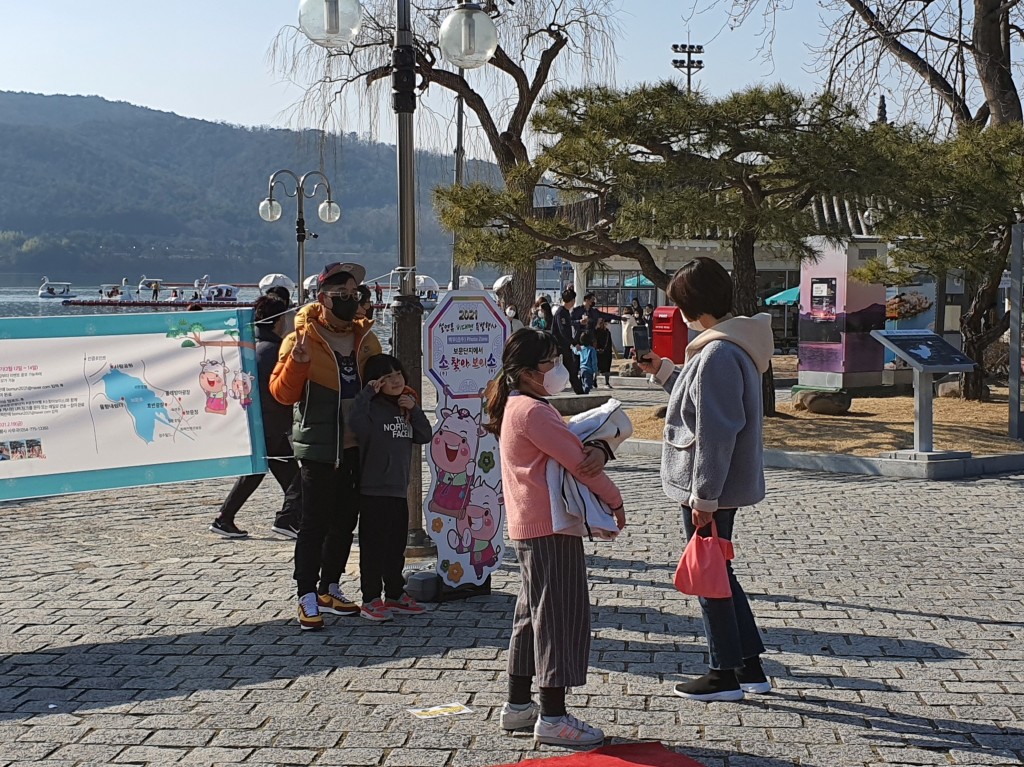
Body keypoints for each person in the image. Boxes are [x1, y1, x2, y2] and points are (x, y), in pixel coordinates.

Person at [636, 257, 774, 703]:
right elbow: (695, 401)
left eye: (679, 305)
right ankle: (748, 665)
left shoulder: (717, 352)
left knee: (709, 575)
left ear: (694, 306)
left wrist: (704, 496)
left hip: (710, 488)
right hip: (719, 486)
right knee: (720, 571)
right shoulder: (734, 344)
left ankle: (723, 674)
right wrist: (660, 371)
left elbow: (715, 431)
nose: (677, 314)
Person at [485, 329, 625, 746]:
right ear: (528, 373)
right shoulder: (534, 412)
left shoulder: (515, 405)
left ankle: (518, 705)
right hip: (550, 524)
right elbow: (581, 463)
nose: (558, 368)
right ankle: (553, 714)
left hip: (530, 524)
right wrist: (615, 501)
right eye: (551, 362)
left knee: (532, 615)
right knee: (558, 617)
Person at [270, 262, 383, 631]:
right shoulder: (301, 338)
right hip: (320, 448)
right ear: (323, 298)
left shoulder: (364, 337)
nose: (352, 300)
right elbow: (283, 395)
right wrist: (298, 365)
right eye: (343, 295)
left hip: (357, 446)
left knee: (345, 522)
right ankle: (305, 593)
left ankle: (329, 586)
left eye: (356, 294)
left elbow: (385, 377)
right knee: (314, 523)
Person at [209, 295, 302, 539]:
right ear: (279, 320)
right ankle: (287, 519)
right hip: (272, 423)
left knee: (278, 473)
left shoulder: (253, 348)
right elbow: (283, 387)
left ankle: (227, 518)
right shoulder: (274, 350)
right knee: (292, 476)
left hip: (263, 422)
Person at [348, 354, 432, 621]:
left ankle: (395, 594)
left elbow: (425, 435)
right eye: (388, 378)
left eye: (398, 375)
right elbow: (356, 423)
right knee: (373, 548)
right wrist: (366, 394)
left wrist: (415, 409)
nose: (396, 381)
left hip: (398, 490)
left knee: (396, 546)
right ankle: (370, 599)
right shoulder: (372, 408)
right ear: (377, 382)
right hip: (373, 490)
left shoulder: (405, 408)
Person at [551, 288, 584, 395]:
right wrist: (574, 343)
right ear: (572, 301)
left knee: (571, 370)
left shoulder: (565, 312)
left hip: (564, 346)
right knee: (568, 370)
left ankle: (579, 391)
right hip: (559, 347)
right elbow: (563, 331)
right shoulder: (561, 313)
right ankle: (579, 391)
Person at [593, 318, 614, 388]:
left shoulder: (607, 332)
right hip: (597, 351)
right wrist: (597, 349)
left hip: (606, 352)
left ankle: (607, 382)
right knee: (596, 367)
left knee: (607, 367)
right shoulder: (595, 332)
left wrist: (606, 350)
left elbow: (609, 343)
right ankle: (594, 380)